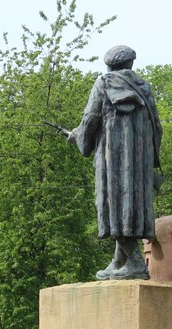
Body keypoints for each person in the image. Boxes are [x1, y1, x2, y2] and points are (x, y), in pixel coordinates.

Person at [68, 45, 163, 280]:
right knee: (132, 206)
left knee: (115, 205)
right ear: (131, 64)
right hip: (140, 164)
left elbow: (90, 119)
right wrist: (147, 158)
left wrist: (77, 136)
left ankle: (135, 263)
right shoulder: (145, 89)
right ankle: (118, 260)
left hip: (113, 162)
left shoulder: (104, 83)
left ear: (109, 65)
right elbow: (157, 128)